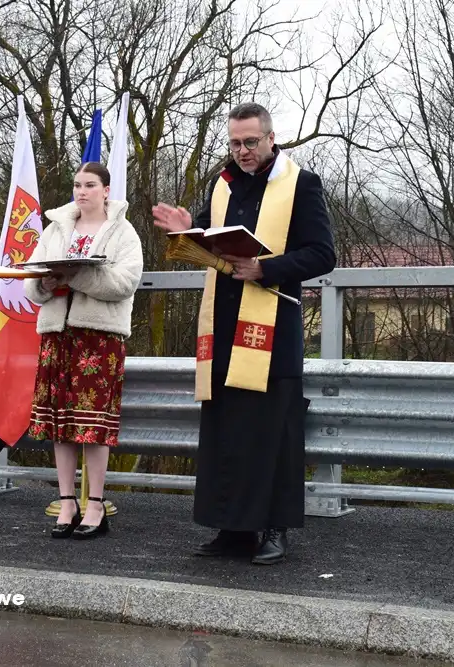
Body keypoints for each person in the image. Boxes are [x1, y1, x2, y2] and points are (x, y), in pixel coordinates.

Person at [152, 103, 336, 565]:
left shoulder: (301, 184)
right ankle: (232, 528)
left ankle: (274, 528)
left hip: (272, 326)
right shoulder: (222, 183)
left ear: (271, 138)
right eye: (234, 143)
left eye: (250, 142)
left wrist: (266, 268)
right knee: (227, 430)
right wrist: (187, 232)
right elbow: (212, 244)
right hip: (225, 321)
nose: (242, 151)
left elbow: (321, 255)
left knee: (270, 432)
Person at [23, 161, 144, 540]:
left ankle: (95, 504)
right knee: (60, 423)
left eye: (90, 185)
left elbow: (125, 283)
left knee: (93, 424)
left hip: (98, 337)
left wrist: (78, 274)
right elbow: (30, 283)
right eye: (77, 185)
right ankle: (67, 502)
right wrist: (47, 281)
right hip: (57, 334)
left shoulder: (123, 232)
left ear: (106, 190)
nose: (82, 191)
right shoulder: (56, 229)